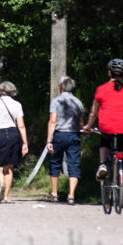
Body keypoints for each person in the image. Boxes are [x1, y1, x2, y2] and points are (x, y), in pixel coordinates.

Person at [86, 58, 123, 208]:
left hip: (107, 126)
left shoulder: (101, 89)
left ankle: (102, 165)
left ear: (109, 73)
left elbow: (93, 112)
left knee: (104, 141)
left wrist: (88, 126)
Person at [0, 81, 29, 203]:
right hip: (13, 134)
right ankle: (5, 196)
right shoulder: (17, 104)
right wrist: (25, 142)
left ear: (0, 90)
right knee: (9, 167)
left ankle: (1, 183)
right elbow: (21, 125)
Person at [45, 76, 85, 204]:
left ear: (61, 87)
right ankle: (71, 195)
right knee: (73, 164)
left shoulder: (56, 101)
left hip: (59, 135)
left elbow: (52, 121)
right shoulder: (78, 102)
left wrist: (49, 140)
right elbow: (81, 122)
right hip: (74, 135)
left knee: (55, 163)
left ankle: (54, 194)